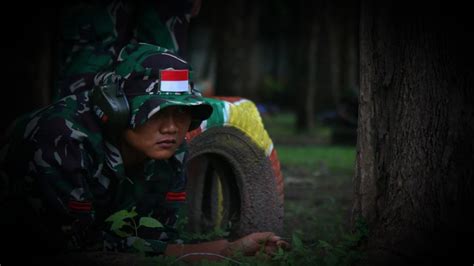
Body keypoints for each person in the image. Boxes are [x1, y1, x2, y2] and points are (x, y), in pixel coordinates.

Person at [0, 43, 287, 264]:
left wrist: (228, 251)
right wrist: (220, 250)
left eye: (183, 113)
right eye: (157, 111)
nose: (172, 127)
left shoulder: (170, 150)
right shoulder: (61, 139)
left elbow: (155, 242)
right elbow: (77, 253)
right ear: (117, 108)